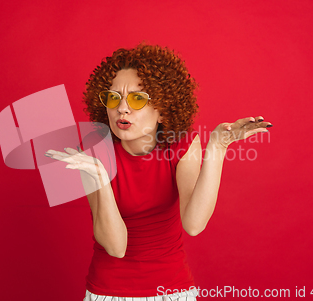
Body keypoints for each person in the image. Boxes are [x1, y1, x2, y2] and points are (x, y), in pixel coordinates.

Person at [45, 44, 272, 300]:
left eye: (137, 98)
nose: (122, 109)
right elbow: (116, 247)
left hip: (172, 290)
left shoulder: (181, 144)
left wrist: (217, 147)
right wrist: (100, 177)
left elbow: (194, 224)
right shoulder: (94, 149)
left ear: (162, 110)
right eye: (113, 97)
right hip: (108, 291)